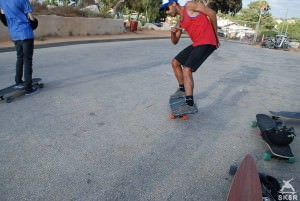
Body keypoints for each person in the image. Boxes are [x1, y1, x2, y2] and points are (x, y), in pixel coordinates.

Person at [160, 0, 219, 114]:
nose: (167, 12)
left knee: (187, 69)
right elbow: (175, 41)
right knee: (175, 62)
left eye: (167, 9)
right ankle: (182, 89)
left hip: (208, 41)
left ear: (173, 4)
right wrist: (172, 33)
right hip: (197, 44)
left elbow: (212, 13)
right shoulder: (180, 22)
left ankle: (190, 104)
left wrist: (215, 35)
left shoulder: (190, 6)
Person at [0, 0, 38, 95]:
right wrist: (35, 23)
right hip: (25, 33)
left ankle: (18, 81)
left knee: (20, 57)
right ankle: (28, 88)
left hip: (14, 34)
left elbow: (3, 16)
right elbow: (30, 17)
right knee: (27, 60)